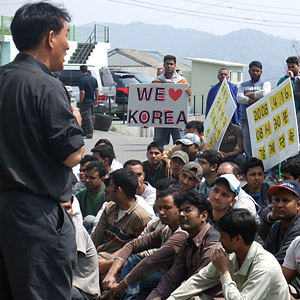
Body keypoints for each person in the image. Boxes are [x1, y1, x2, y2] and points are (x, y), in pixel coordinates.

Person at [0, 2, 85, 299]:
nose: (68, 45)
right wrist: (75, 121)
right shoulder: (45, 85)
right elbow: (71, 153)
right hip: (36, 221)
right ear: (50, 38)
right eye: (64, 35)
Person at [167, 209, 290, 300]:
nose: (219, 242)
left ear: (237, 239)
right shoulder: (231, 254)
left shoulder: (264, 267)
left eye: (223, 237)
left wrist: (224, 273)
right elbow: (199, 280)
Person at [103, 188, 189, 300]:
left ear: (180, 210)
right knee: (132, 260)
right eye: (159, 208)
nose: (161, 212)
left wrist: (122, 285)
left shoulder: (182, 233)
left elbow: (151, 262)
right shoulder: (166, 229)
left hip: (176, 281)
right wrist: (111, 274)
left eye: (167, 208)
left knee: (139, 272)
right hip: (161, 273)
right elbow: (132, 245)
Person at [147, 192, 221, 300]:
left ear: (204, 216)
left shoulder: (213, 246)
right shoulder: (188, 241)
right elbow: (172, 278)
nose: (181, 214)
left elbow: (195, 285)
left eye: (187, 210)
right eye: (180, 211)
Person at [91, 168, 152, 277]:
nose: (106, 189)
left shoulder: (141, 217)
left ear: (119, 191)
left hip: (123, 262)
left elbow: (139, 252)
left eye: (110, 186)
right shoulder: (109, 208)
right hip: (104, 255)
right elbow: (96, 237)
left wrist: (109, 264)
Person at [61, 199, 100, 300]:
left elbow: (68, 261)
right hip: (70, 284)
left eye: (68, 208)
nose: (65, 212)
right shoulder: (58, 229)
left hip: (83, 291)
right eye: (61, 208)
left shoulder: (76, 230)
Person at [152, 55, 192, 146]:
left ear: (175, 65)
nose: (169, 66)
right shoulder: (156, 82)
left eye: (171, 64)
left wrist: (188, 94)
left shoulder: (182, 81)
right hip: (161, 118)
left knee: (180, 143)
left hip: (177, 118)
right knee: (158, 143)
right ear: (164, 65)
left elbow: (187, 101)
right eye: (167, 64)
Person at [237, 61, 271, 158]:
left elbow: (265, 94)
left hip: (261, 118)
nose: (255, 73)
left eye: (257, 71)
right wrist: (255, 99)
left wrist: (249, 95)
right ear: (249, 71)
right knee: (247, 140)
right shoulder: (243, 85)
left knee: (262, 139)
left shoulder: (265, 83)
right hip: (246, 117)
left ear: (261, 72)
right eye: (253, 70)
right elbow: (239, 98)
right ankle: (250, 161)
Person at [75, 161, 107, 231]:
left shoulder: (108, 195)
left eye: (92, 178)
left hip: (101, 230)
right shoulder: (81, 194)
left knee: (89, 219)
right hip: (83, 229)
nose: (87, 180)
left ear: (102, 179)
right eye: (86, 177)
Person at [79, 64, 99, 139]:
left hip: (85, 101)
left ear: (80, 71)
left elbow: (82, 92)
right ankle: (84, 132)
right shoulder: (93, 79)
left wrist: (81, 101)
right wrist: (97, 99)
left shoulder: (82, 80)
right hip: (91, 100)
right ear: (87, 70)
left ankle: (89, 133)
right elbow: (96, 90)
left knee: (86, 117)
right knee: (89, 116)